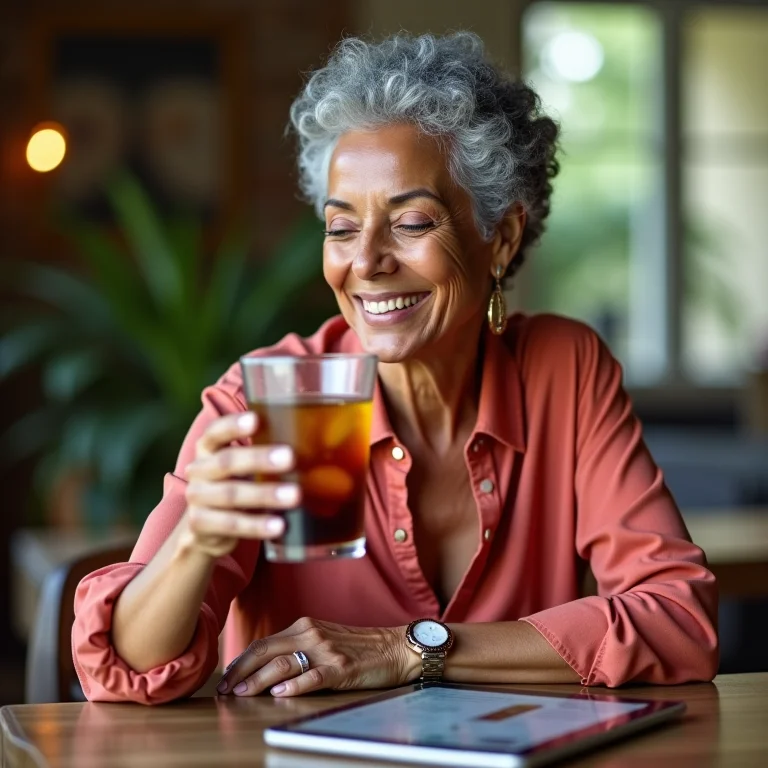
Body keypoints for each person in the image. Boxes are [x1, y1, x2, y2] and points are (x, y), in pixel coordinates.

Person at [72, 32, 718, 705]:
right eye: (342, 227)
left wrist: (406, 649)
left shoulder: (564, 371)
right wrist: (195, 544)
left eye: (411, 222)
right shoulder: (266, 398)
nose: (367, 261)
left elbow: (680, 620)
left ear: (501, 238)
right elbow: (119, 670)